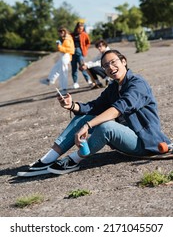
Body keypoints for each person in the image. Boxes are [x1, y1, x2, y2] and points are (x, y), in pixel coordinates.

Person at [17, 50, 171, 177]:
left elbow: (119, 108)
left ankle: (73, 160)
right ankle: (48, 159)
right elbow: (94, 106)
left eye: (113, 62)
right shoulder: (114, 87)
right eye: (105, 66)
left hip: (143, 142)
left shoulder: (138, 83)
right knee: (82, 117)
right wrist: (72, 106)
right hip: (124, 139)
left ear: (123, 61)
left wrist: (88, 125)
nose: (110, 67)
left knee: (106, 126)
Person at [47, 27, 75, 94]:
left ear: (64, 32)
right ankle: (51, 80)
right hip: (65, 56)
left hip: (65, 56)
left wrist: (59, 46)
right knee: (58, 69)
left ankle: (64, 88)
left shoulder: (67, 39)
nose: (60, 34)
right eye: (60, 33)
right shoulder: (67, 38)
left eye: (61, 32)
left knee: (63, 73)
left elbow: (68, 50)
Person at [71, 22, 92, 89]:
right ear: (77, 28)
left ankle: (88, 80)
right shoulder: (72, 35)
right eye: (80, 29)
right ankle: (75, 83)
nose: (81, 30)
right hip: (72, 54)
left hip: (80, 53)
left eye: (82, 29)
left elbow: (88, 42)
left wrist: (85, 48)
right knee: (74, 68)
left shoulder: (84, 34)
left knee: (83, 67)